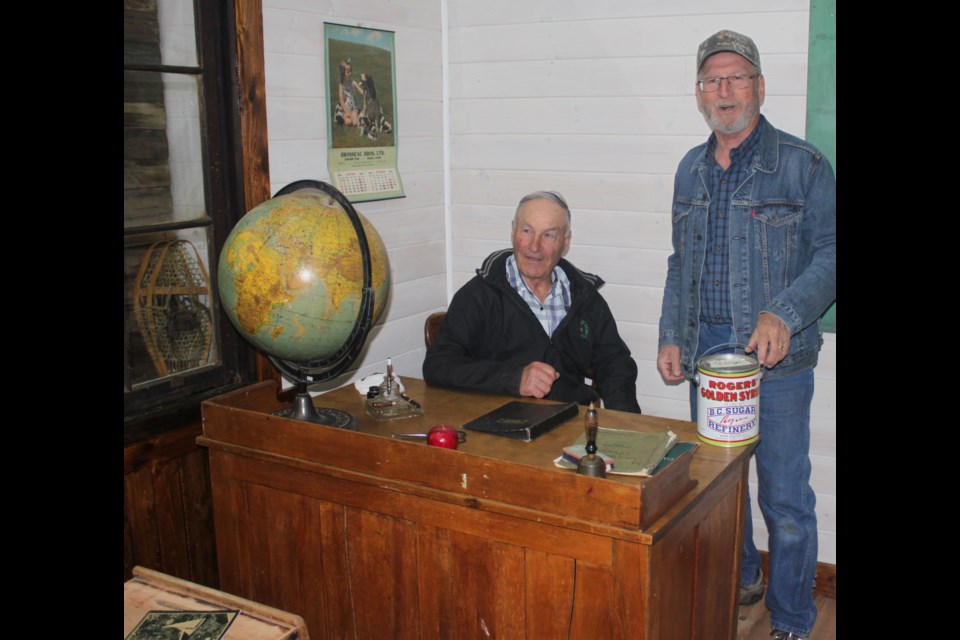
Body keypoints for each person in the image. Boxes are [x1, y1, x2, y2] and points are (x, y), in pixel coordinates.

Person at [657, 31, 835, 640]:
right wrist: (670, 333)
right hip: (707, 357)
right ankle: (737, 584)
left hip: (777, 364)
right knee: (716, 492)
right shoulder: (689, 168)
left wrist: (783, 312)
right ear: (698, 92)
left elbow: (833, 254)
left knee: (784, 499)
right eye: (711, 80)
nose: (723, 90)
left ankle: (791, 619)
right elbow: (682, 261)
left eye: (735, 78)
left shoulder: (803, 164)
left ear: (759, 86)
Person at [423, 191, 641, 413]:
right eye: (527, 231)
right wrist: (514, 379)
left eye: (548, 235)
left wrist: (626, 423)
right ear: (513, 231)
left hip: (571, 424)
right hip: (499, 428)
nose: (534, 246)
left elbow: (614, 363)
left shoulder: (584, 297)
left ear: (565, 243)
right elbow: (438, 365)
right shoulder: (479, 295)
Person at [334, 59, 360, 127]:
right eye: (348, 72)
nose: (350, 73)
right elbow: (341, 100)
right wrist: (347, 111)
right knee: (348, 122)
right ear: (343, 74)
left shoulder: (353, 83)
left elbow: (361, 92)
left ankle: (357, 115)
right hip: (346, 106)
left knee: (355, 123)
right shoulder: (341, 85)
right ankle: (339, 113)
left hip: (353, 106)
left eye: (351, 71)